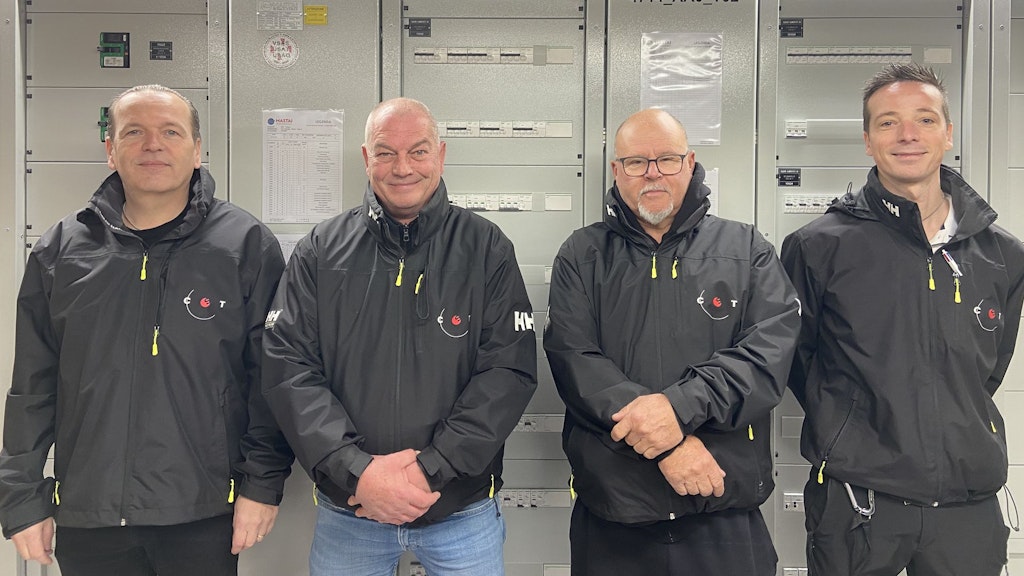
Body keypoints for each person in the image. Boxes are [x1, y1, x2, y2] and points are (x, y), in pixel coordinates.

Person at [0, 85, 293, 575]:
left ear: (196, 150)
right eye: (134, 132)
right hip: (89, 513)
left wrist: (262, 486)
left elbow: (270, 379)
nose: (153, 144)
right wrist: (22, 498)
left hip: (202, 512)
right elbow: (32, 387)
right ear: (111, 149)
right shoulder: (61, 250)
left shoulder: (245, 245)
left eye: (170, 132)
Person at [262, 97, 537, 576]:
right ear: (366, 158)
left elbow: (507, 371)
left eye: (418, 151)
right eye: (386, 152)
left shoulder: (486, 247)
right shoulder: (320, 251)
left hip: (461, 509)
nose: (403, 167)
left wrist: (434, 468)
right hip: (352, 510)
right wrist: (357, 471)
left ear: (441, 155)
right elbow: (289, 368)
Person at [781, 62, 1024, 575]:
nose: (907, 135)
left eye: (924, 119)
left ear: (948, 133)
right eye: (888, 122)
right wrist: (849, 429)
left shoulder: (1002, 253)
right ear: (868, 140)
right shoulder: (818, 247)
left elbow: (989, 365)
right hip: (858, 499)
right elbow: (800, 364)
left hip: (967, 501)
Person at [543, 108, 801, 575]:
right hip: (614, 515)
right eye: (636, 162)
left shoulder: (746, 249)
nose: (653, 173)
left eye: (667, 159)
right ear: (617, 170)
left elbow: (767, 355)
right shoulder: (581, 255)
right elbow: (574, 360)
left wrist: (679, 409)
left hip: (720, 504)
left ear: (690, 163)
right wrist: (670, 445)